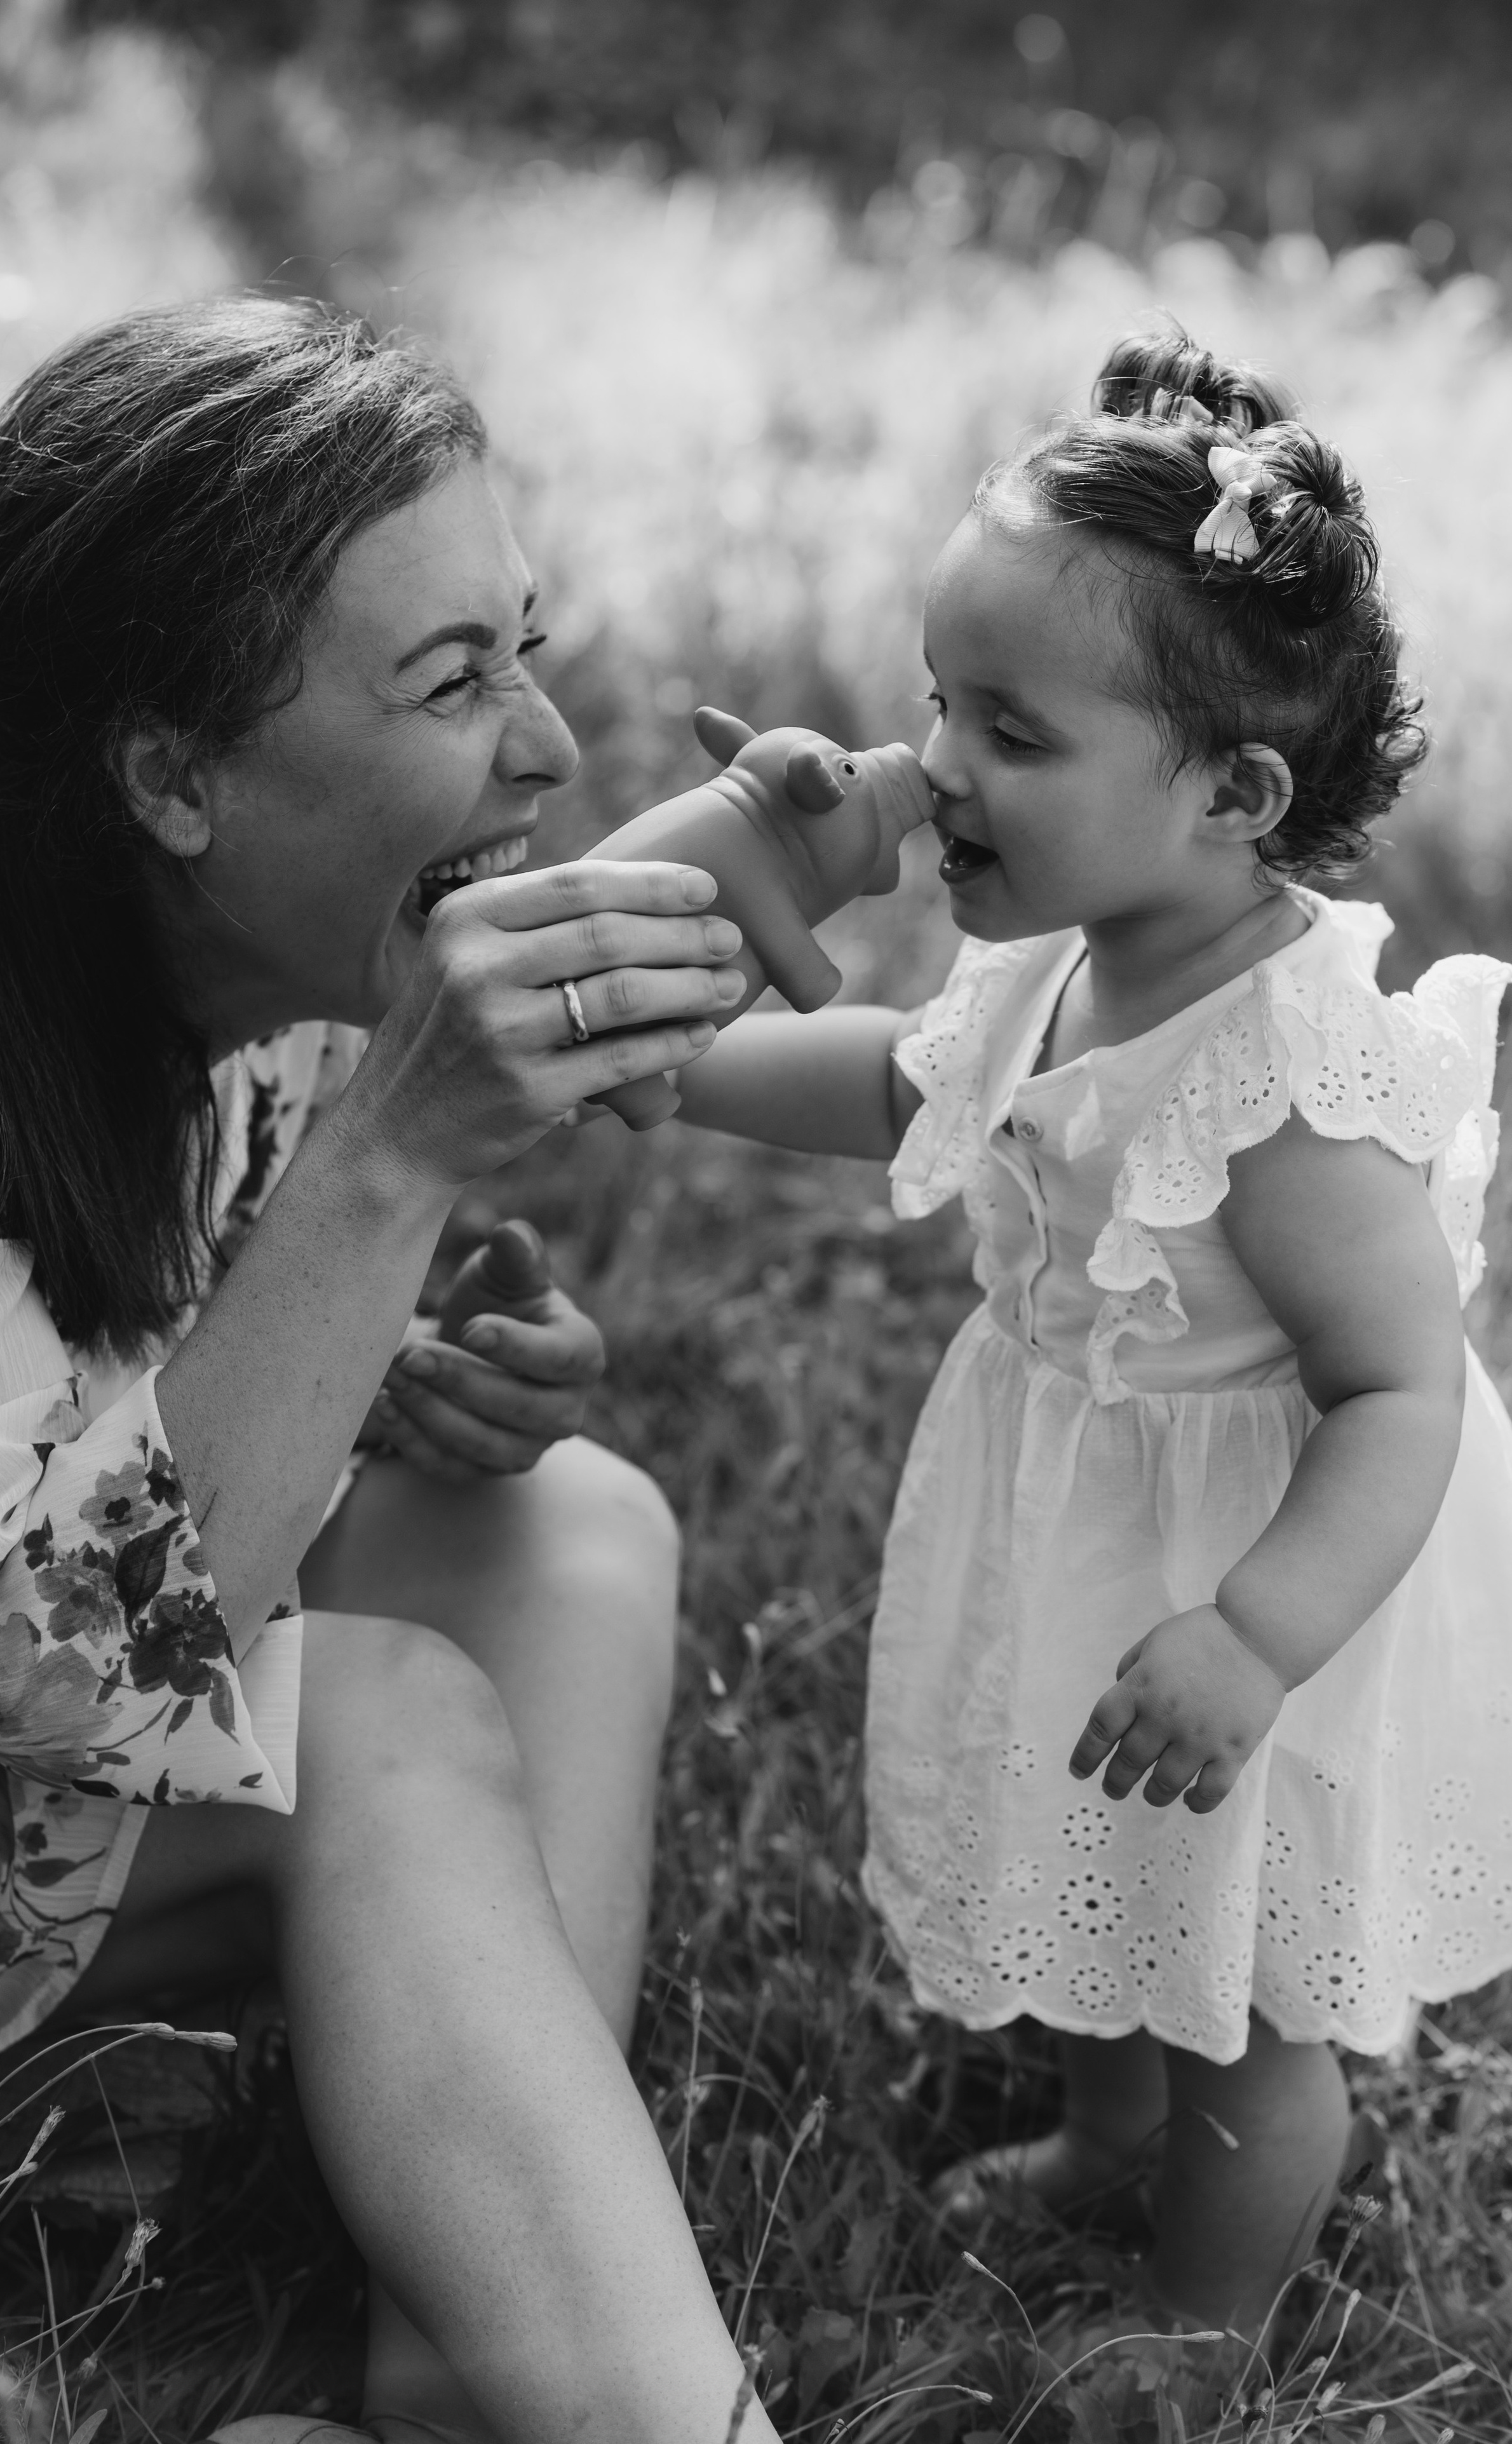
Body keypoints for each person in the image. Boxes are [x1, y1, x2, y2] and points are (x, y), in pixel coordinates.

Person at [0, 294, 785, 2444]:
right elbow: (41, 1667)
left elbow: (146, 1355)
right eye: (451, 682)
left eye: (525, 648)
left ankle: (467, 2376)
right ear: (173, 776)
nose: (553, 752)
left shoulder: (249, 926)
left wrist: (386, 1353)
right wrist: (390, 1156)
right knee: (373, 1727)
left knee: (558, 1530)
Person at [670, 329, 1512, 2338]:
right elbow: (906, 1083)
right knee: (1100, 1850)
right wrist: (692, 1067)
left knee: (1238, 1993)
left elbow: (1404, 1396)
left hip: (1258, 1578)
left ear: (1237, 794)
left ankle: (1201, 2327)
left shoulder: (1290, 1094)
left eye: (1014, 734)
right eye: (939, 705)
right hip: (1088, 1523)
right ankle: (1099, 2131)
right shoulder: (1073, 955)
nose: (941, 767)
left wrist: (1258, 1637)